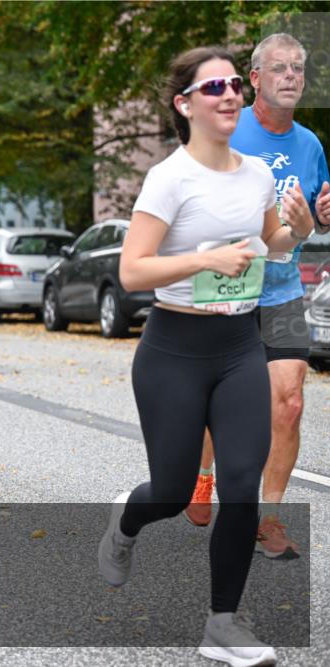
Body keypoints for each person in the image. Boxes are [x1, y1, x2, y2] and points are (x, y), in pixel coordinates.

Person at [99, 46, 311, 667]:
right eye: (213, 85)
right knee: (170, 491)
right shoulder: (170, 177)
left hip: (240, 344)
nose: (229, 94)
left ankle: (223, 623)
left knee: (242, 484)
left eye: (235, 85)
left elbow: (270, 245)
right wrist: (202, 260)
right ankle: (127, 522)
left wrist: (296, 230)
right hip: (174, 349)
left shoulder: (256, 174)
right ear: (184, 103)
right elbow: (132, 270)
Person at [184, 34, 330, 561]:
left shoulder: (311, 145)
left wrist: (319, 218)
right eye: (280, 68)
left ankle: (268, 518)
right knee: (219, 402)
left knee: (289, 404)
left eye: (299, 68)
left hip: (284, 289)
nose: (292, 76)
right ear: (257, 77)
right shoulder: (227, 127)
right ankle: (203, 477)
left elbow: (312, 217)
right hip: (228, 284)